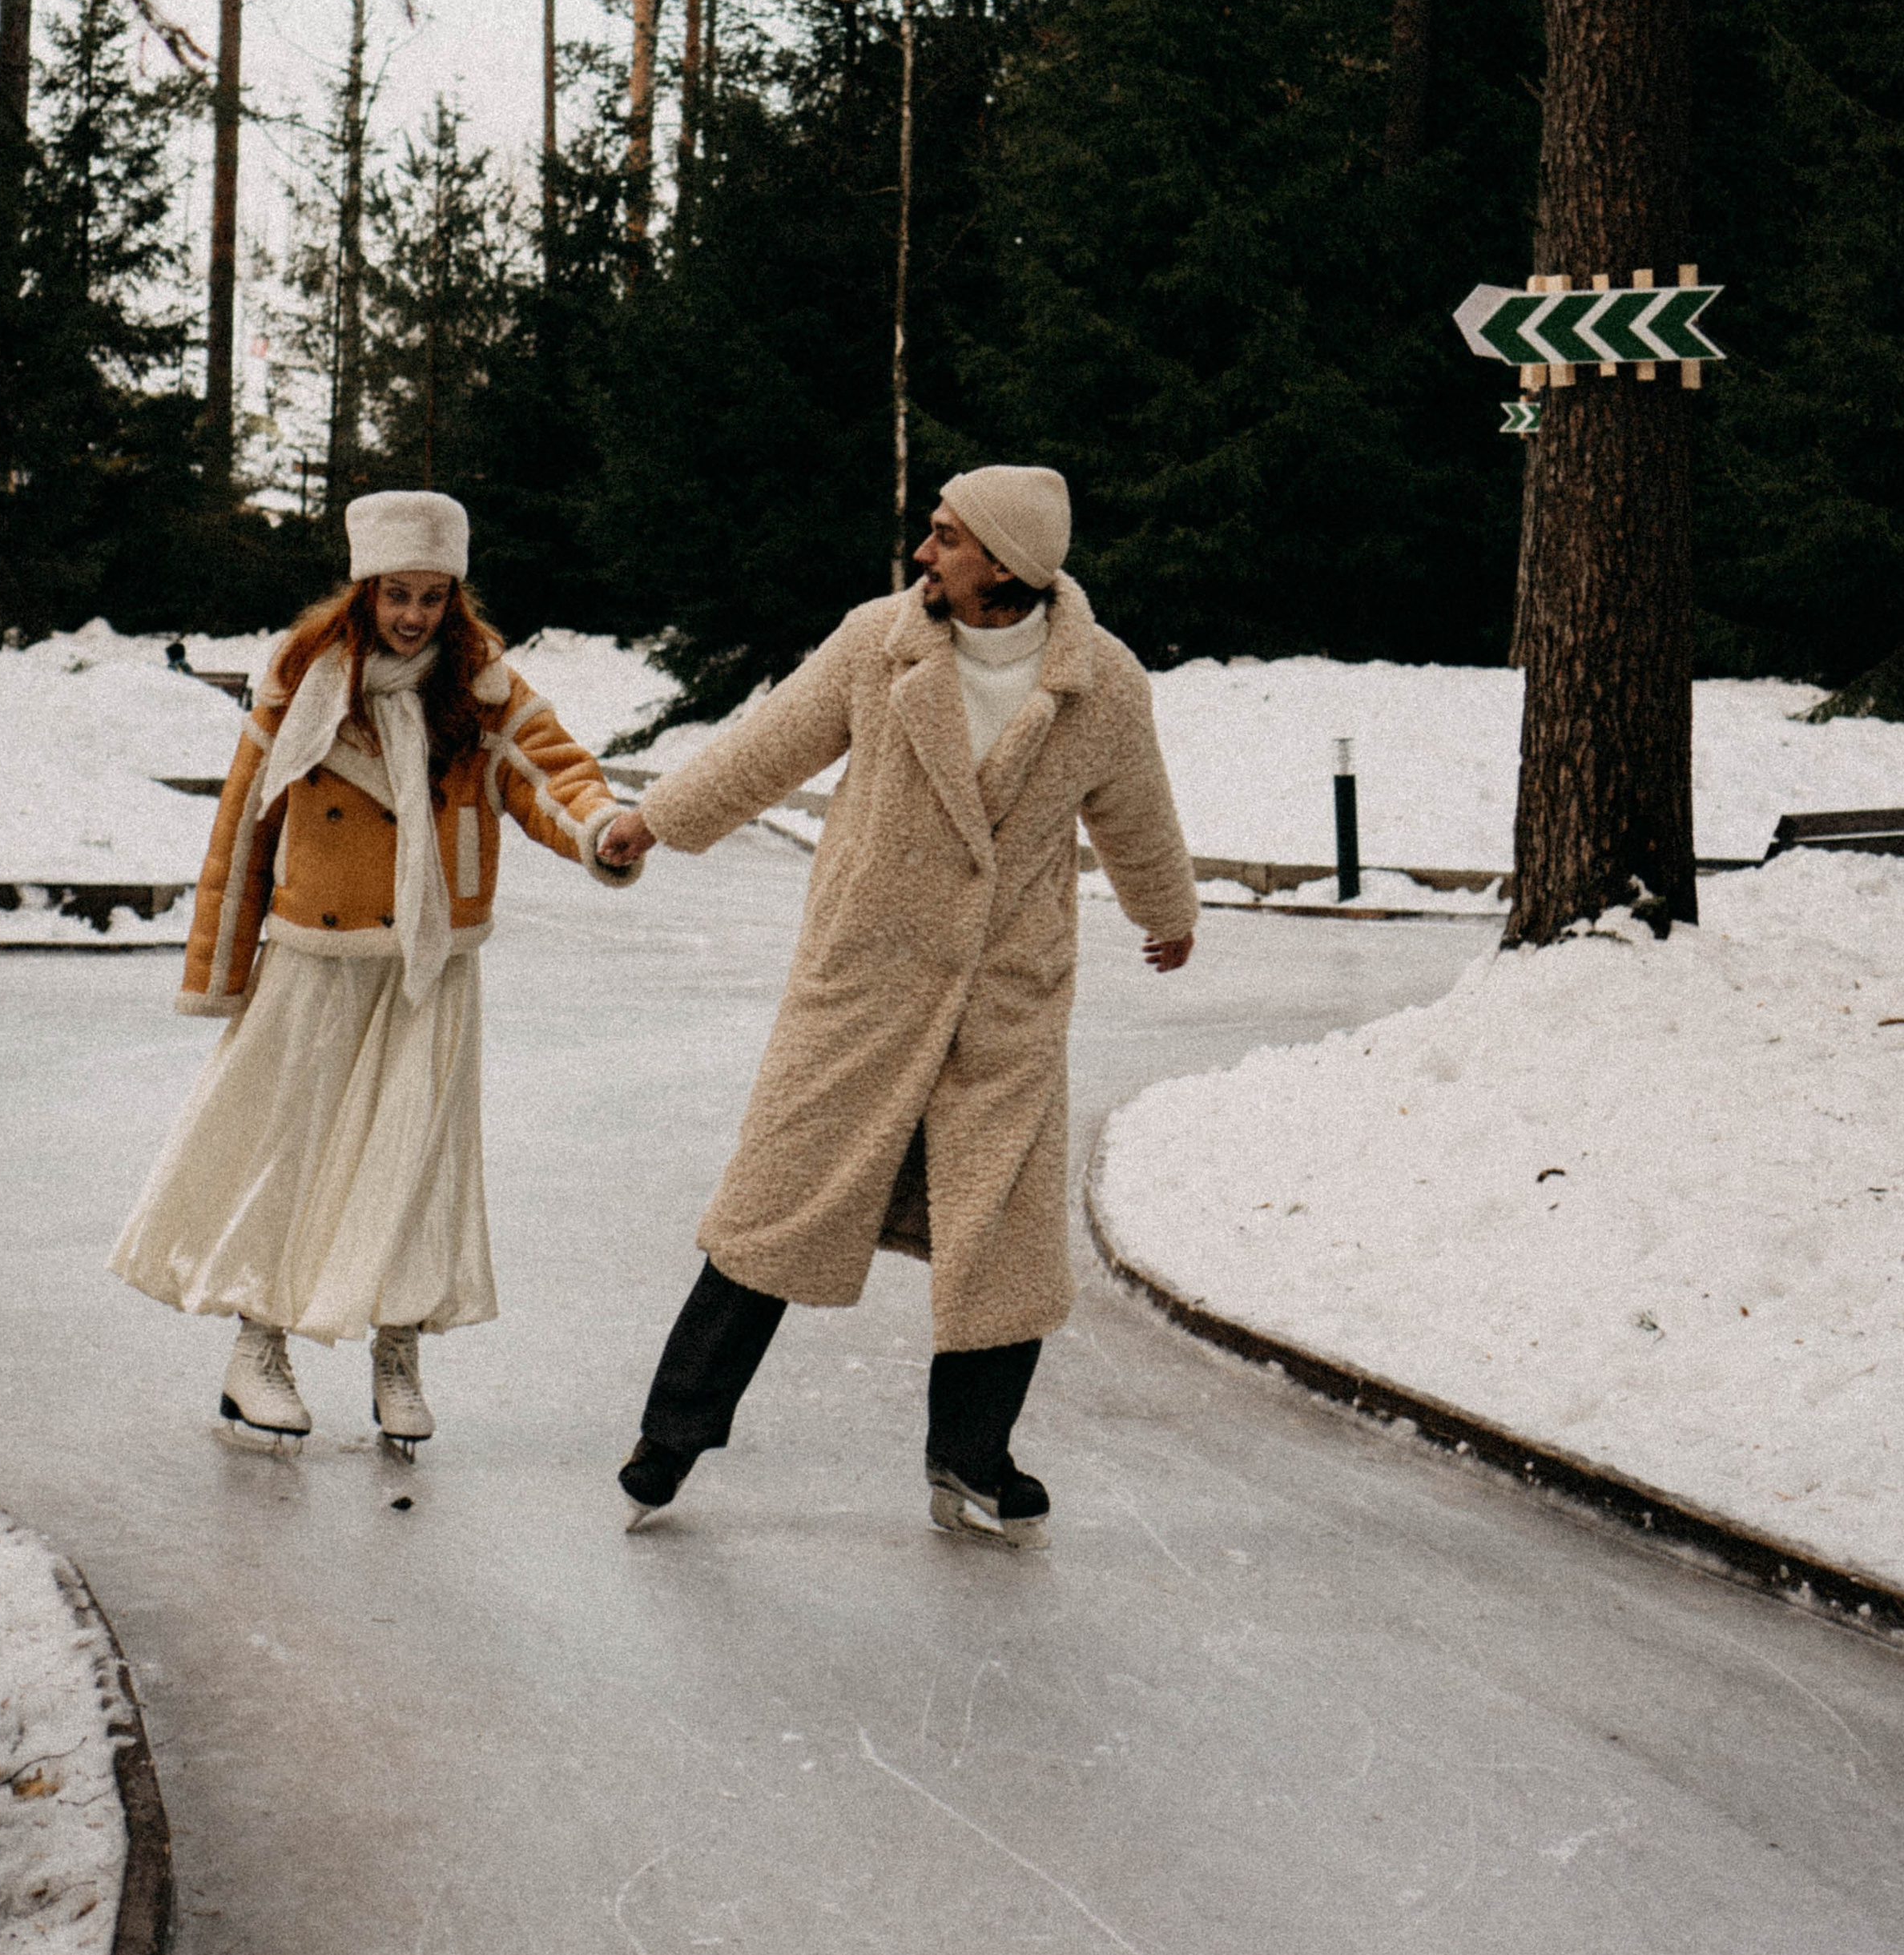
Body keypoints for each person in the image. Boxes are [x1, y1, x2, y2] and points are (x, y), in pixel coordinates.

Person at [598, 463, 1197, 1543]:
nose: (925, 553)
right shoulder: (881, 645)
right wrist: (659, 819)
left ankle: (972, 1455)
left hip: (1004, 995)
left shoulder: (1100, 682)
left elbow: (1137, 806)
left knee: (1006, 1236)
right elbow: (769, 745)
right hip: (866, 976)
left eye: (948, 537)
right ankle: (671, 1438)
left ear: (1008, 562)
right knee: (773, 1206)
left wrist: (1166, 911)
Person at [111, 490, 640, 1449]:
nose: (413, 616)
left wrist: (601, 829)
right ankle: (256, 1349)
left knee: (413, 1157)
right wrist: (219, 967)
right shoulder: (303, 678)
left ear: (455, 597)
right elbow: (246, 823)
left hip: (427, 963)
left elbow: (550, 771)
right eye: (397, 594)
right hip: (314, 957)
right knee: (286, 1152)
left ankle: (397, 1349)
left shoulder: (481, 685)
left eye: (434, 597)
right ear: (363, 590)